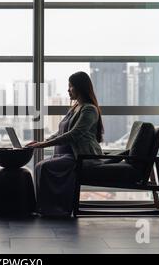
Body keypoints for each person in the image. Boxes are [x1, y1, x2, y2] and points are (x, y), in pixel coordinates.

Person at [26, 71, 104, 216]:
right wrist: (42, 142)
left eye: (71, 86)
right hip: (66, 155)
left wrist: (42, 146)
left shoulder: (89, 109)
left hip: (79, 157)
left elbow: (74, 135)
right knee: (39, 167)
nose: (68, 90)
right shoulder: (75, 108)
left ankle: (54, 209)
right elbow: (61, 132)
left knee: (42, 166)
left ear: (80, 88)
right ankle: (44, 207)